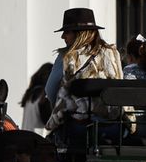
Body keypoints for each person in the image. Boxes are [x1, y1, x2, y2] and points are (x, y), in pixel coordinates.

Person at [44, 8, 127, 144]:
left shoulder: (67, 56)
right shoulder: (112, 53)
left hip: (79, 127)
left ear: (79, 34)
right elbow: (118, 85)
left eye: (67, 32)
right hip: (112, 127)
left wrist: (59, 111)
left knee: (58, 147)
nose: (63, 36)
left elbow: (50, 90)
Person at [18, 62, 53, 132]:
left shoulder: (30, 93)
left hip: (25, 136)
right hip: (37, 139)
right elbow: (49, 124)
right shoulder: (43, 96)